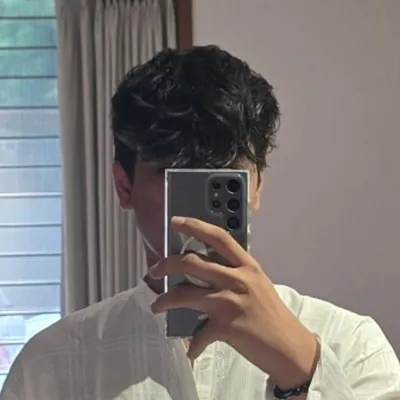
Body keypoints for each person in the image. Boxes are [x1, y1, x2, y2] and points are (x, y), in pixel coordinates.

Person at [1, 45, 399, 400]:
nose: (196, 209)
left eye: (224, 175)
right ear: (124, 186)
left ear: (257, 186)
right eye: (171, 172)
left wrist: (299, 370)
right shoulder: (50, 365)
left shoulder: (353, 345)